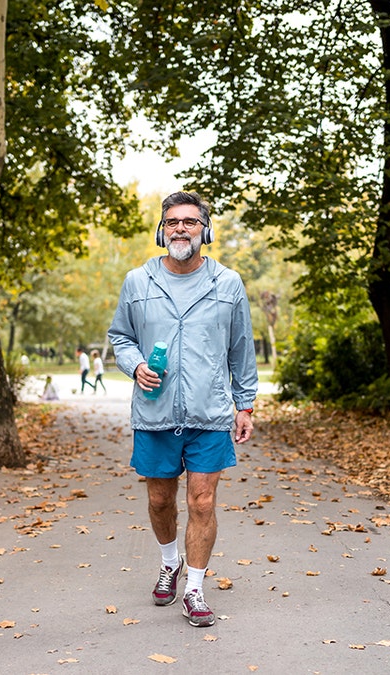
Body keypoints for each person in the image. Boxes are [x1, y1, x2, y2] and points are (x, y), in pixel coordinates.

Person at [107, 191, 258, 628]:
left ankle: (194, 588)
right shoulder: (138, 282)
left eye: (190, 222)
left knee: (203, 502)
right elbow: (120, 336)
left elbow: (241, 347)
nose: (180, 228)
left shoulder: (227, 284)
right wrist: (135, 365)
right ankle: (169, 560)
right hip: (154, 412)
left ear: (204, 230)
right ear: (161, 230)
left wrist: (244, 404)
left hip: (209, 412)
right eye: (172, 221)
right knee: (159, 501)